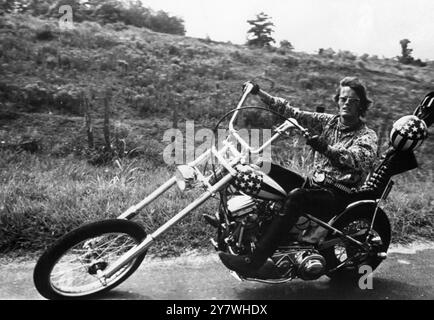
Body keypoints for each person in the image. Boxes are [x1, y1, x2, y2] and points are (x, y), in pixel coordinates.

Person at [218, 76, 379, 277]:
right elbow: (291, 112)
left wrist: (327, 149)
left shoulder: (367, 135)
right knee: (261, 167)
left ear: (361, 105)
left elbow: (358, 159)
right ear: (337, 100)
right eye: (343, 99)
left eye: (353, 101)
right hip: (315, 184)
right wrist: (258, 93)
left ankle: (254, 261)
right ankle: (236, 225)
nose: (346, 104)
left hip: (339, 194)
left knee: (296, 197)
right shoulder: (329, 122)